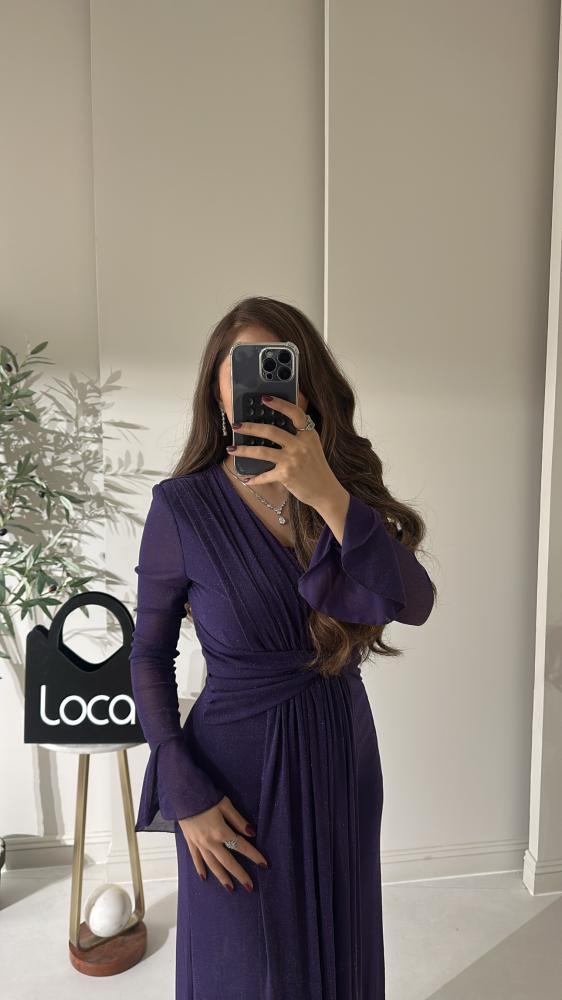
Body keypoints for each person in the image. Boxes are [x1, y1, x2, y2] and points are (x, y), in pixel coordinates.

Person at [129, 295, 436, 1000]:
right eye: (238, 371)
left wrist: (328, 495)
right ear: (216, 392)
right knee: (243, 962)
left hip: (340, 750)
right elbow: (147, 654)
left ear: (306, 384)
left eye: (273, 368)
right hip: (232, 771)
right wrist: (181, 786)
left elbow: (414, 602)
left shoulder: (343, 490)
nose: (255, 389)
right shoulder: (182, 506)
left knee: (340, 937)